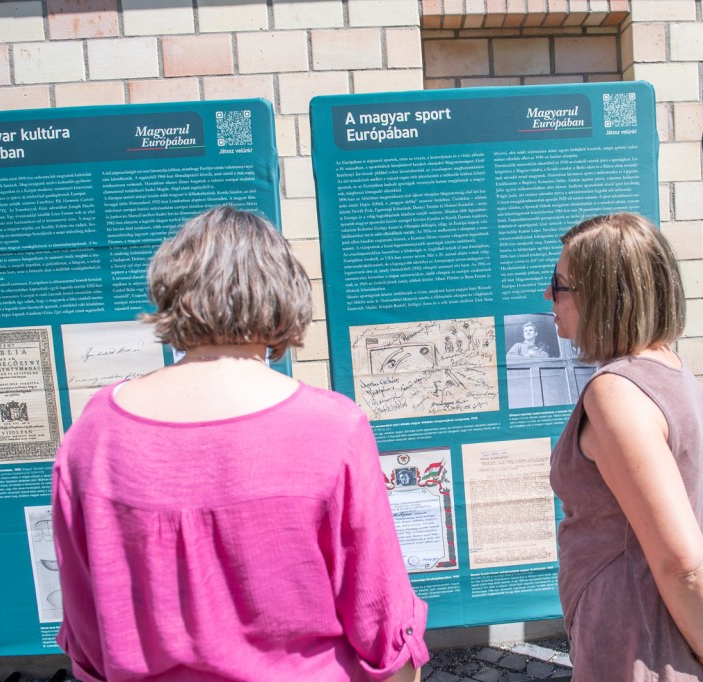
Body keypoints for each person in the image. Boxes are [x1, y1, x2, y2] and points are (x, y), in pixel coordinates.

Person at [52, 206, 428, 682]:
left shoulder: (95, 434)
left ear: (173, 289)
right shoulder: (332, 429)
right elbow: (381, 620)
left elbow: (87, 631)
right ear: (282, 294)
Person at [545, 213, 703, 682]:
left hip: (638, 639)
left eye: (559, 284)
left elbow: (683, 563)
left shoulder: (615, 394)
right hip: (676, 626)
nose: (548, 296)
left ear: (603, 297)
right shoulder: (671, 367)